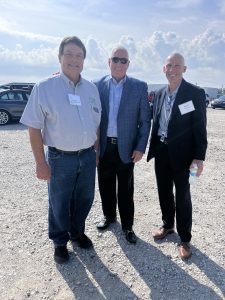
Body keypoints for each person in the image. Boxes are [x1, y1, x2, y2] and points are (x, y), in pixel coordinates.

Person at [20, 36, 101, 264]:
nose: (74, 59)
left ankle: (77, 232)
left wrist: (95, 152)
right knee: (59, 201)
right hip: (59, 157)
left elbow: (96, 123)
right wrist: (40, 163)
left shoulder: (91, 89)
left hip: (86, 156)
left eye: (79, 55)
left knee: (84, 198)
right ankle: (59, 241)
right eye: (69, 54)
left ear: (84, 60)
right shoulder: (45, 88)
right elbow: (34, 126)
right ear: (59, 57)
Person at [147, 53, 207, 259]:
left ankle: (185, 239)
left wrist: (199, 157)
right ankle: (167, 225)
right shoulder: (159, 93)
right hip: (161, 151)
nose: (172, 69)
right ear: (164, 68)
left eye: (177, 65)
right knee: (164, 191)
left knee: (182, 196)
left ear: (184, 69)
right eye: (169, 65)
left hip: (184, 156)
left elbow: (200, 127)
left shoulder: (195, 93)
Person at [95, 46, 151, 243]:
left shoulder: (139, 86)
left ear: (128, 64)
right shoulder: (96, 85)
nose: (119, 64)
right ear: (108, 62)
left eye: (123, 60)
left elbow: (145, 121)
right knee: (105, 184)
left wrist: (140, 147)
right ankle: (109, 217)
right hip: (103, 147)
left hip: (126, 148)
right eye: (115, 59)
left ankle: (128, 226)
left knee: (126, 190)